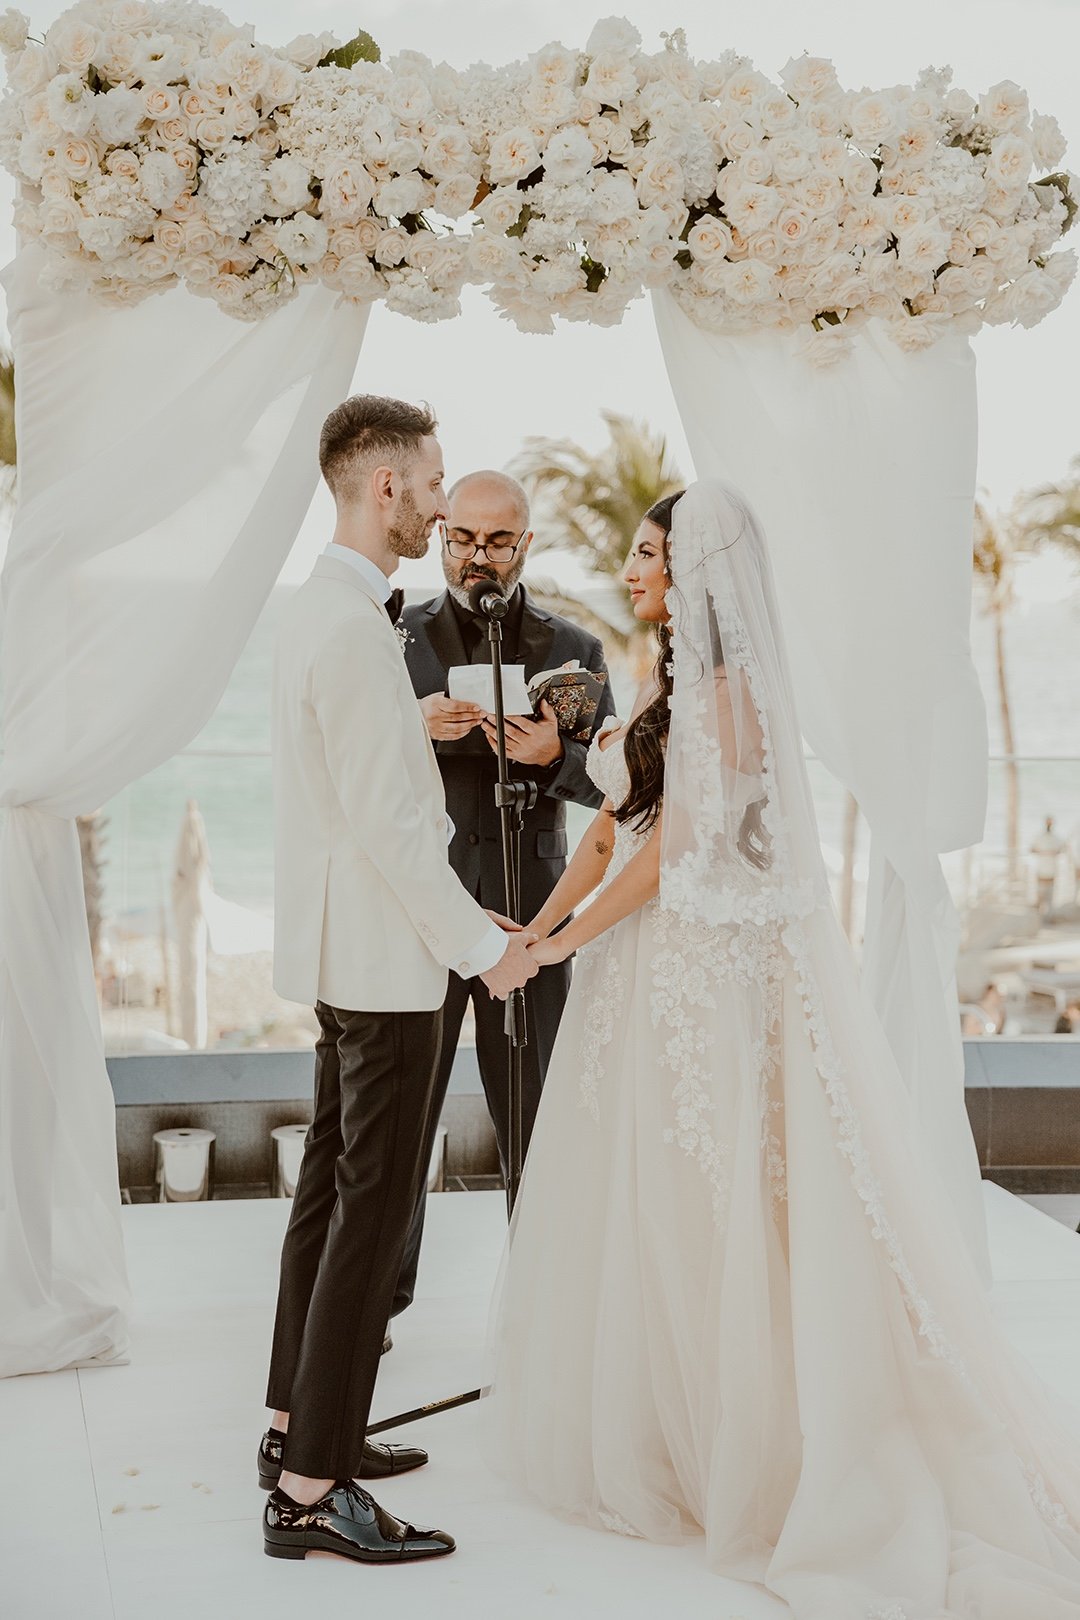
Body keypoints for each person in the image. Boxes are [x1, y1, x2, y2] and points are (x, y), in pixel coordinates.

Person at [486, 480, 1080, 1616]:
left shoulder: (734, 699)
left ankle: (750, 1440)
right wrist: (545, 925)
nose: (632, 569)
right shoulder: (672, 688)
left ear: (695, 571)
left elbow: (674, 855)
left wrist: (563, 949)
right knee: (646, 1205)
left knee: (716, 1203)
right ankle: (673, 1421)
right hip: (644, 970)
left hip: (701, 974)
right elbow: (619, 823)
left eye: (648, 552)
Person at [260, 395, 538, 1567]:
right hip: (385, 965)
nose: (437, 501)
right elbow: (385, 821)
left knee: (330, 1190)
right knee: (372, 1213)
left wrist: (458, 909)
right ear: (386, 488)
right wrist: (486, 946)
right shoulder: (347, 628)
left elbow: (358, 811)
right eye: (429, 484)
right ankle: (315, 1491)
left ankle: (296, 1429)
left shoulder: (316, 611)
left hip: (348, 948)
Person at [392, 469, 615, 1311]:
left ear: (526, 544)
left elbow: (615, 794)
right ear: (443, 534)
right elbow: (350, 767)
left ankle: (543, 1303)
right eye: (462, 538)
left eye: (496, 541)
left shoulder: (575, 650)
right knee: (403, 1121)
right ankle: (381, 1300)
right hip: (423, 910)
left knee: (538, 1116)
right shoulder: (396, 640)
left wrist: (549, 759)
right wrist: (412, 726)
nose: (477, 557)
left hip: (531, 914)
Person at [1031, 815, 1066, 915]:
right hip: (1044, 871)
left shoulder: (1051, 838)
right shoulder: (1047, 838)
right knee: (1044, 895)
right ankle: (1043, 916)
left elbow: (1032, 849)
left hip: (1048, 871)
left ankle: (1045, 916)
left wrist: (1044, 852)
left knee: (1046, 895)